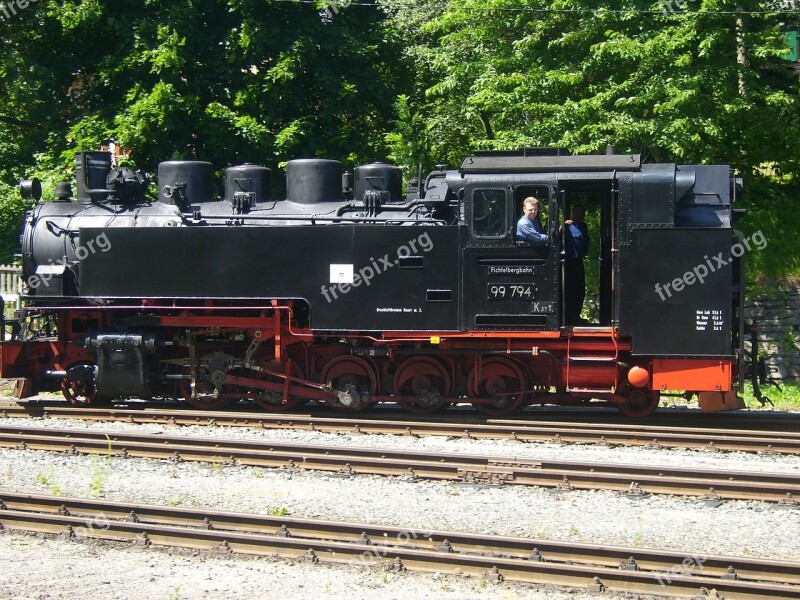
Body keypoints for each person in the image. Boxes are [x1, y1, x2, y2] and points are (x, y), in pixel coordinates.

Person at [561, 205, 589, 325]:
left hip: (579, 261)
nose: (579, 216)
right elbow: (556, 238)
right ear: (573, 213)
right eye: (577, 213)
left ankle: (576, 315)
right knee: (571, 290)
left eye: (581, 213)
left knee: (580, 290)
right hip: (569, 262)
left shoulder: (584, 226)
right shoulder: (567, 226)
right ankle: (570, 317)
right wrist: (562, 227)